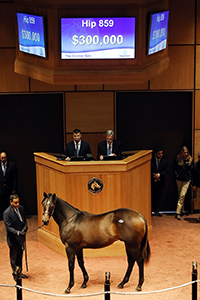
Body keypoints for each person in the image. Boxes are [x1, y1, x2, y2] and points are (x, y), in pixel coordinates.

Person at [3, 194, 28, 280]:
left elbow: (24, 221)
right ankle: (15, 273)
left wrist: (25, 227)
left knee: (20, 256)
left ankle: (19, 272)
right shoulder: (7, 213)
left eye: (18, 202)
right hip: (13, 239)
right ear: (11, 202)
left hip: (21, 238)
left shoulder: (21, 209)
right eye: (15, 202)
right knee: (14, 257)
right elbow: (8, 227)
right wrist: (18, 232)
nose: (17, 204)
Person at [173, 146, 194, 220]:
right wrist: (176, 174)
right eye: (184, 152)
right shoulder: (178, 159)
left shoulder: (190, 159)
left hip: (187, 180)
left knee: (182, 195)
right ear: (182, 152)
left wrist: (191, 179)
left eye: (187, 152)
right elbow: (174, 168)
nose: (186, 153)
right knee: (180, 195)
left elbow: (192, 170)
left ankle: (177, 213)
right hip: (179, 179)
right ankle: (181, 210)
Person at [151, 147, 168, 217]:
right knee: (151, 196)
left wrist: (159, 175)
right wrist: (154, 176)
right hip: (152, 181)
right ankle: (150, 210)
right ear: (155, 154)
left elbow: (166, 171)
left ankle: (157, 210)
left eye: (162, 153)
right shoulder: (151, 160)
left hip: (160, 182)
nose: (161, 155)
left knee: (158, 197)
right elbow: (149, 169)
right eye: (159, 153)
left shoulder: (164, 161)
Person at [0, 152, 17, 220]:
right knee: (1, 203)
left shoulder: (12, 165)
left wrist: (14, 188)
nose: (3, 159)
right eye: (2, 158)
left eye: (5, 157)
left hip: (8, 188)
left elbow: (15, 178)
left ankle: (9, 216)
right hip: (0, 188)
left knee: (8, 203)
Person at [192, 151, 200, 222]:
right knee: (199, 201)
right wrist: (193, 185)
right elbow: (193, 176)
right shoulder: (195, 165)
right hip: (198, 185)